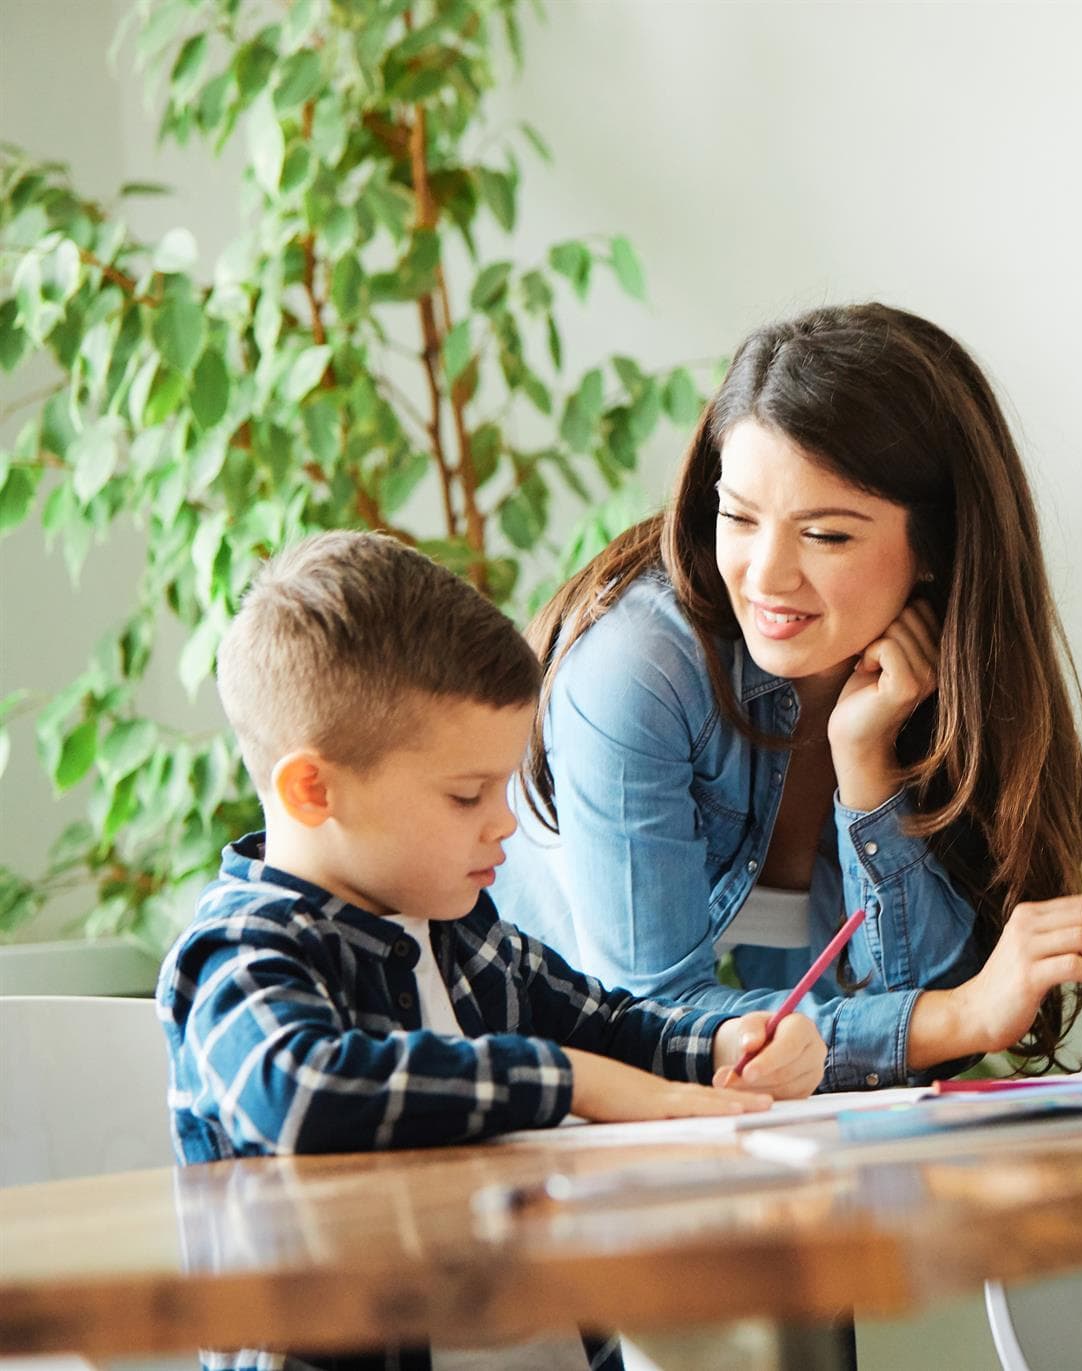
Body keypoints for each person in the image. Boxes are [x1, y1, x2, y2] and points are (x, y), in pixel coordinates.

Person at [157, 531, 826, 1371]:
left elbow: (612, 1026)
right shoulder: (238, 951)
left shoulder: (462, 930)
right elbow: (303, 1096)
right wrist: (570, 1081)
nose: (504, 820)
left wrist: (727, 1044)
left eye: (503, 786)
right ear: (312, 789)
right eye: (467, 794)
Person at [499, 303, 1082, 1090]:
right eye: (738, 516)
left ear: (936, 546)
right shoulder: (640, 669)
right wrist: (963, 1016)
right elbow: (650, 1019)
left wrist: (866, 762)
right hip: (542, 1123)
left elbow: (917, 1003)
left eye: (825, 535)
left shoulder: (922, 687)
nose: (765, 575)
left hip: (760, 1141)